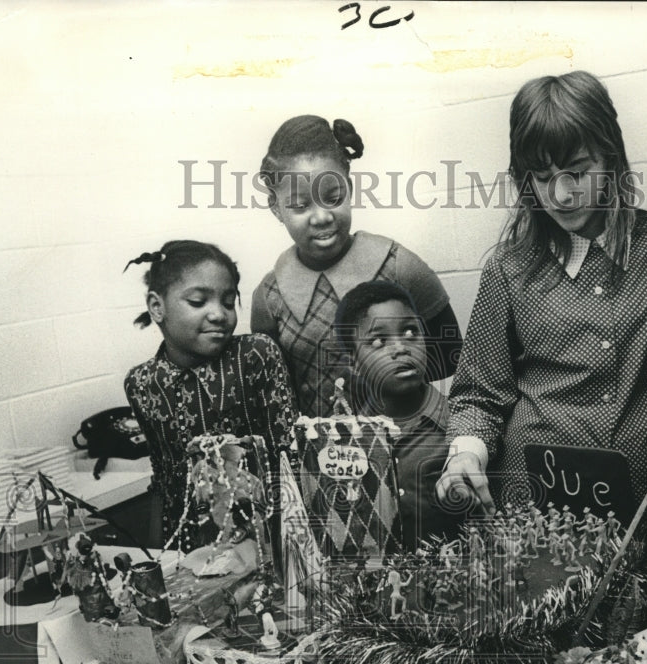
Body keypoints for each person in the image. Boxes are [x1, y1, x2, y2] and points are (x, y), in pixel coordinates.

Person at [437, 71, 647, 582]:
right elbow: (479, 394)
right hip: (531, 525)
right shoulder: (508, 268)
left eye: (577, 171)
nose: (561, 193)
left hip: (642, 523)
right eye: (541, 176)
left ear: (610, 159)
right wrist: (465, 453)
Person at [252, 114, 462, 418]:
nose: (321, 217)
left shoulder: (399, 266)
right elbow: (276, 393)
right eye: (300, 206)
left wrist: (396, 390)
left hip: (406, 440)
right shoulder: (269, 297)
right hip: (319, 447)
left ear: (349, 188)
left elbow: (452, 354)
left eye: (333, 198)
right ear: (275, 207)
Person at [123, 240, 298, 552]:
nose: (219, 314)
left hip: (266, 535)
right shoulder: (142, 383)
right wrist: (160, 554)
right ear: (157, 306)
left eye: (228, 302)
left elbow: (289, 456)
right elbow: (162, 477)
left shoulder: (256, 355)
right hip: (189, 544)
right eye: (198, 302)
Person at [334, 279, 464, 551]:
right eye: (378, 341)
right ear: (354, 364)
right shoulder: (349, 442)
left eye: (410, 331)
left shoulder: (461, 427)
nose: (401, 348)